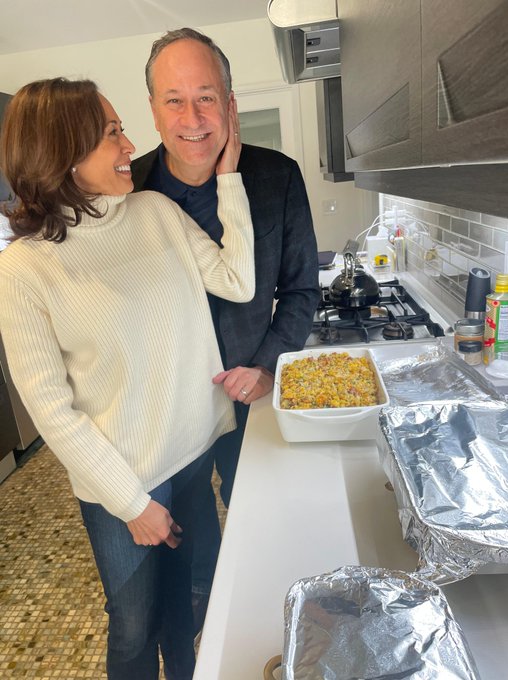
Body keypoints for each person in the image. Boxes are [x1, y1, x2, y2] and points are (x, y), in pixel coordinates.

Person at [0, 77, 255, 680]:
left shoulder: (155, 213)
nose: (129, 145)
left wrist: (229, 179)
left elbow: (239, 282)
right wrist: (133, 504)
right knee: (135, 630)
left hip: (194, 458)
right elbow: (52, 411)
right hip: (124, 486)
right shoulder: (24, 268)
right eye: (113, 133)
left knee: (186, 615)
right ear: (62, 153)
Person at [131, 27, 321, 632]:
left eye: (207, 96)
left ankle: (264, 634)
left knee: (259, 524)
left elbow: (300, 290)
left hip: (251, 394)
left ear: (232, 105)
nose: (193, 117)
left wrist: (266, 366)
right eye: (174, 99)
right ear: (155, 112)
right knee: (187, 555)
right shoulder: (127, 191)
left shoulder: (278, 177)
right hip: (166, 411)